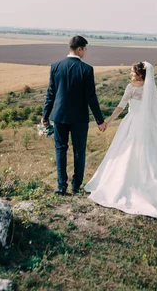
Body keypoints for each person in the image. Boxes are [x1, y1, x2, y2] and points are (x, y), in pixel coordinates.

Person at [84, 62, 157, 224]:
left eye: (132, 71)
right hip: (147, 124)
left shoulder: (131, 87)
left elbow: (121, 106)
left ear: (139, 74)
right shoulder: (150, 88)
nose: (130, 73)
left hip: (132, 122)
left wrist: (108, 121)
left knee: (126, 151)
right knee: (148, 153)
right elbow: (154, 109)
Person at [42, 35, 107, 196]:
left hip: (59, 116)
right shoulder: (86, 69)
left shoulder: (55, 66)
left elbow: (50, 93)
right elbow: (91, 97)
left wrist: (45, 116)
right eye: (85, 49)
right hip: (79, 118)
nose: (85, 52)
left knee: (60, 149)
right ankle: (76, 185)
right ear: (79, 49)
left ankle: (61, 186)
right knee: (79, 151)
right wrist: (100, 120)